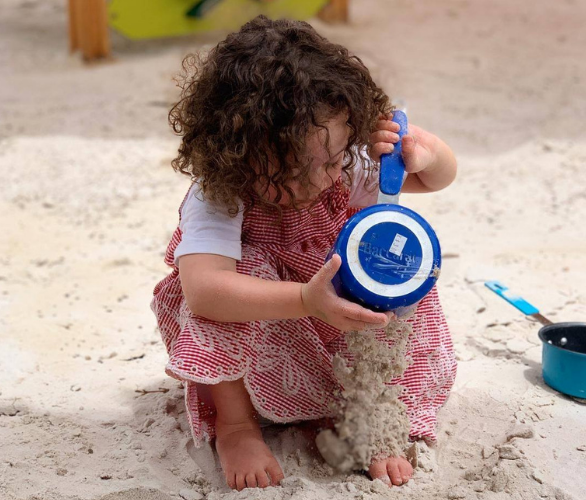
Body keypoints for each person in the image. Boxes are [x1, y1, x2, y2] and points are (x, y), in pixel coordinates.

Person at [151, 15, 457, 492]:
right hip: (273, 320)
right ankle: (236, 425)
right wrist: (304, 300)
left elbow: (435, 179)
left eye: (334, 160)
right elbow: (204, 291)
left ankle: (364, 412)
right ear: (238, 156)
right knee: (237, 279)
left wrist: (426, 152)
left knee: (395, 279)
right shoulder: (218, 194)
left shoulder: (340, 165)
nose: (324, 180)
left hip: (335, 325)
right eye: (294, 171)